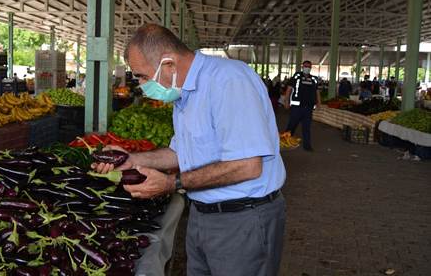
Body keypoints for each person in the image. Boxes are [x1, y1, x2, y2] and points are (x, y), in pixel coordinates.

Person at [93, 24, 286, 276]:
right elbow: (180, 153)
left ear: (169, 65)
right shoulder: (183, 94)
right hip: (203, 214)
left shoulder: (228, 82)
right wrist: (132, 159)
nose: (140, 85)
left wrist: (172, 183)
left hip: (242, 220)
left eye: (142, 76)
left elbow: (248, 165)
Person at [284, 60, 321, 151]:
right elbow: (289, 89)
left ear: (311, 68)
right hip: (297, 108)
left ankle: (307, 146)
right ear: (302, 67)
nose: (307, 68)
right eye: (305, 66)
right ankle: (285, 141)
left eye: (308, 67)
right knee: (291, 126)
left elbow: (317, 92)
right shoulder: (296, 76)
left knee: (306, 128)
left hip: (308, 108)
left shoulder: (314, 79)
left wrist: (319, 102)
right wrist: (286, 101)